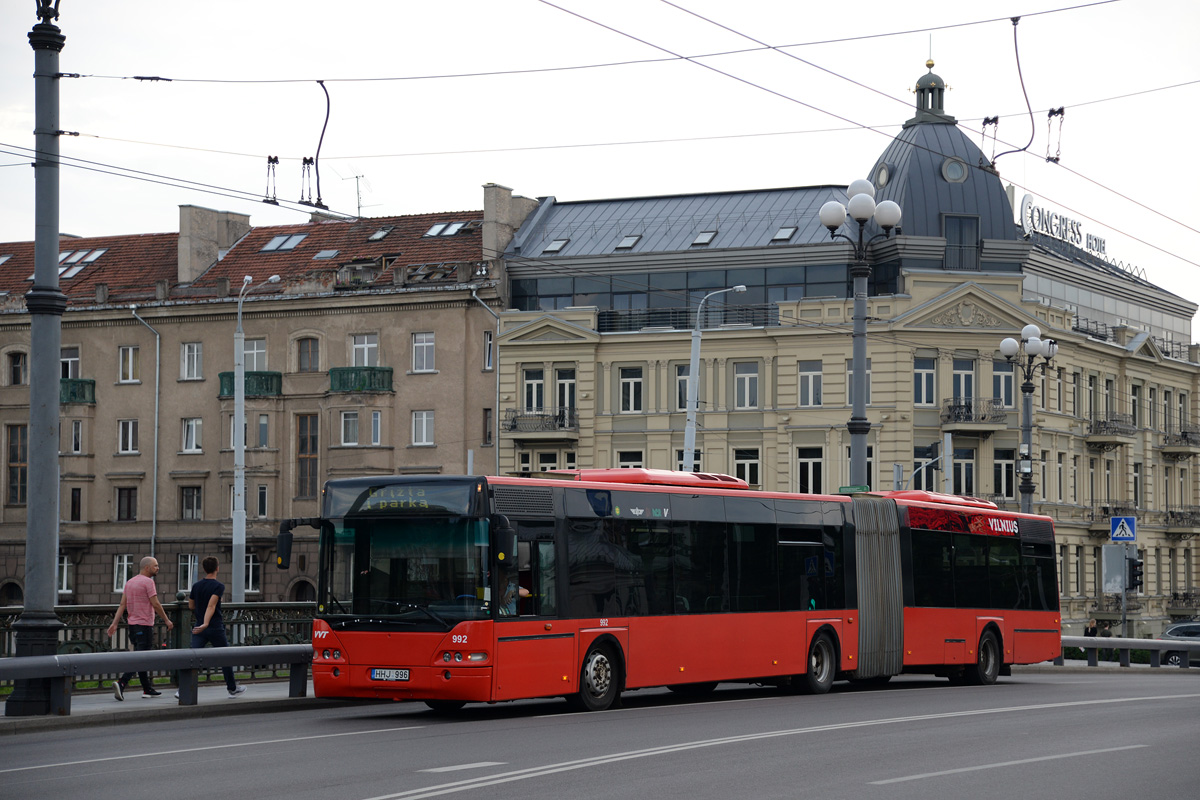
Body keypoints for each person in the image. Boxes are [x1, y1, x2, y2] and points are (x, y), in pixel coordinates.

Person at [106, 556, 174, 700]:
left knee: (141, 655)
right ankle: (122, 682)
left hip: (132, 626)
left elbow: (122, 605)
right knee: (141, 658)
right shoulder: (148, 582)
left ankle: (147, 689)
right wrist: (167, 620)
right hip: (145, 625)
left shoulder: (130, 582)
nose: (158, 568)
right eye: (155, 565)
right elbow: (155, 604)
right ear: (147, 567)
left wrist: (115, 623)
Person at [186, 556, 246, 697]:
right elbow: (211, 605)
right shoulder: (218, 586)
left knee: (192, 657)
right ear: (217, 568)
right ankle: (232, 688)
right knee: (225, 657)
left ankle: (183, 688)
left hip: (198, 627)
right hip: (214, 627)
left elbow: (190, 605)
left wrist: (201, 620)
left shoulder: (196, 586)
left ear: (204, 569)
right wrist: (206, 623)